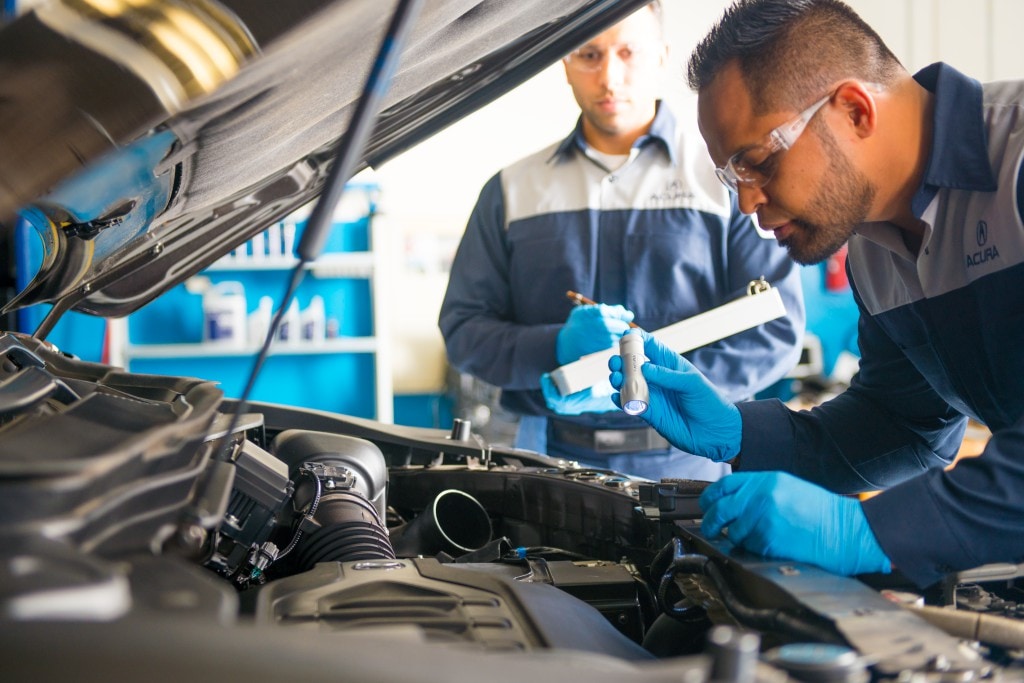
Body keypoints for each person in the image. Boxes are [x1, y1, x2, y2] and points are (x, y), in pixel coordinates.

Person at [609, 0, 1024, 586]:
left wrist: (871, 532)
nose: (748, 204)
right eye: (732, 179)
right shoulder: (876, 252)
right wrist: (742, 432)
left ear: (854, 110)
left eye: (756, 164)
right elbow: (904, 426)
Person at [439, 1, 805, 482]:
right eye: (588, 55)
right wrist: (555, 348)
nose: (609, 77)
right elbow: (465, 330)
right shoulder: (510, 191)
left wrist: (662, 391)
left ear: (661, 57)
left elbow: (773, 329)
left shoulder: (726, 180)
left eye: (629, 52)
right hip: (546, 459)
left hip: (691, 456)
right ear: (564, 63)